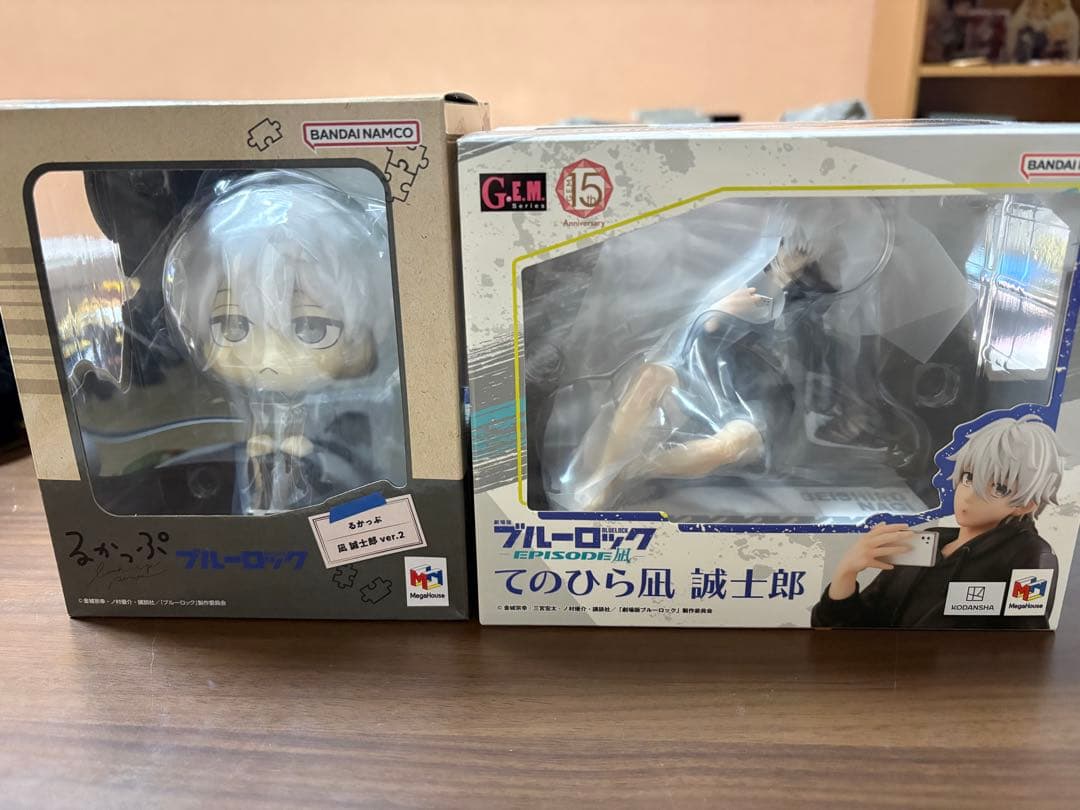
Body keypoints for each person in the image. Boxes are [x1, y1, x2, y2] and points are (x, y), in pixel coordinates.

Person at [163, 170, 402, 514]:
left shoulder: (357, 415)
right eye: (233, 326)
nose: (269, 357)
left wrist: (316, 459)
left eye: (310, 327)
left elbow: (374, 484)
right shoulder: (227, 417)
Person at [812, 414, 1064, 629]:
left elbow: (1025, 644)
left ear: (1027, 504)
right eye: (968, 477)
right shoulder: (928, 541)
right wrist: (847, 572)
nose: (969, 495)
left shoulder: (1032, 556)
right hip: (879, 667)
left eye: (999, 488)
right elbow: (851, 628)